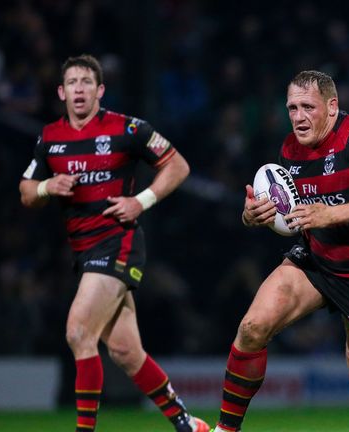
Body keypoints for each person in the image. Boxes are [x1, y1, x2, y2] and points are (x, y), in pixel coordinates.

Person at [214, 70, 349, 432]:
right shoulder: (289, 150)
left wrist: (331, 213)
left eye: (308, 106)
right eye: (292, 107)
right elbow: (287, 215)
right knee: (252, 327)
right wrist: (253, 215)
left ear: (332, 107)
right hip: (316, 262)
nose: (298, 116)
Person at [19, 54, 209, 432]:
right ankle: (187, 423)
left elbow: (178, 166)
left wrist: (141, 201)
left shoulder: (128, 130)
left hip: (116, 244)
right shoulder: (50, 137)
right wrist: (46, 186)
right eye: (72, 82)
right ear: (61, 92)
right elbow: (25, 192)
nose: (79, 89)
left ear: (100, 90)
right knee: (125, 352)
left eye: (87, 82)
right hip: (83, 253)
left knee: (78, 331)